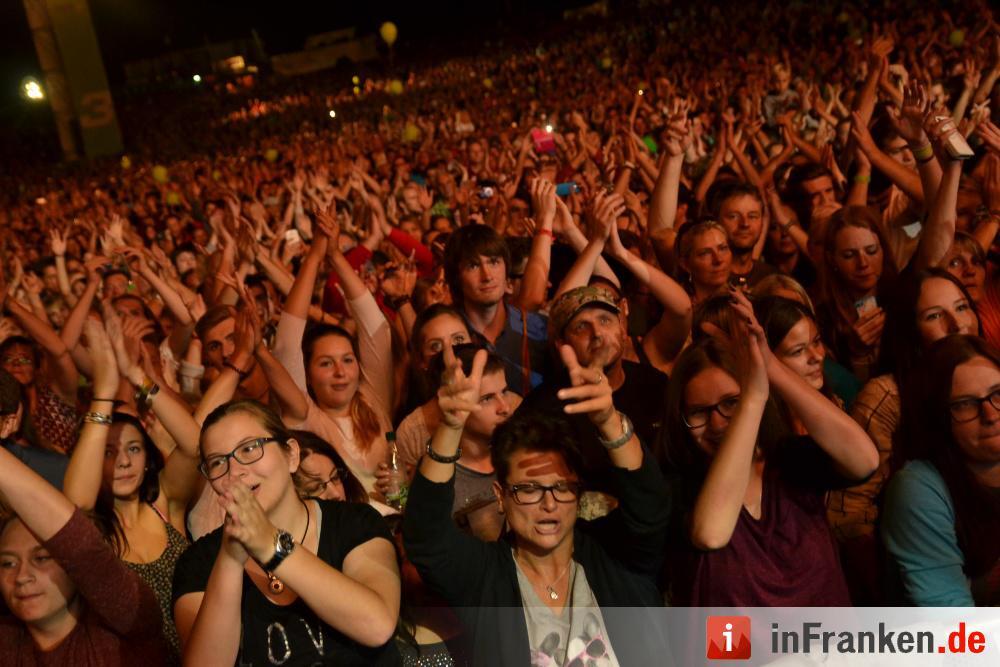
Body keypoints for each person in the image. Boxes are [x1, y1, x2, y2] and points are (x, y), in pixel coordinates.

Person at [404, 343, 671, 666]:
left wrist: (610, 422)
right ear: (501, 496)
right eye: (529, 489)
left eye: (561, 488)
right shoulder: (485, 579)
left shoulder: (616, 556)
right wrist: (450, 428)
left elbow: (650, 507)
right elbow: (427, 537)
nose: (549, 504)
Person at [662, 288, 878, 605]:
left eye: (730, 403)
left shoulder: (787, 460)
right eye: (699, 412)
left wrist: (769, 366)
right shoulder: (679, 486)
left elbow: (865, 459)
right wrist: (751, 398)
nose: (718, 423)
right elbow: (710, 533)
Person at [172, 399, 401, 664]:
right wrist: (231, 558)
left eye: (249, 448)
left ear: (291, 455)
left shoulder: (354, 522)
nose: (235, 472)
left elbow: (377, 626)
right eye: (217, 463)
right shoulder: (199, 562)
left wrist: (271, 545)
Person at [61, 320, 200, 662]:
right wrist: (104, 393)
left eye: (133, 449)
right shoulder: (91, 529)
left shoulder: (165, 502)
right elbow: (76, 502)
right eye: (108, 452)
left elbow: (194, 445)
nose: (123, 461)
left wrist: (137, 376)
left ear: (148, 459)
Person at [0, 433, 167, 665]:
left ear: (74, 565)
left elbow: (80, 544)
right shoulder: (6, 641)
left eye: (41, 558)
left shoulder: (127, 621)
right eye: (8, 563)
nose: (21, 577)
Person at [270, 209, 394, 494]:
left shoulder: (374, 399)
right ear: (307, 375)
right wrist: (315, 257)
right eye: (326, 364)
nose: (341, 372)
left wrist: (336, 256)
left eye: (348, 360)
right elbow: (287, 345)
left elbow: (376, 329)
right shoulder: (304, 417)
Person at [882, 335, 1000, 606]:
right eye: (965, 404)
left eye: (998, 394)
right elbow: (951, 619)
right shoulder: (919, 489)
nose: (991, 415)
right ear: (936, 416)